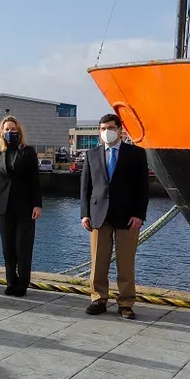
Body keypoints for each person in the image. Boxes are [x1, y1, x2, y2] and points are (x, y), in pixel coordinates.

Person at [81, 113, 150, 320]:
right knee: (98, 261)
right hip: (98, 215)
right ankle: (98, 299)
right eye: (102, 128)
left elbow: (143, 188)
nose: (106, 132)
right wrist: (84, 214)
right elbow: (85, 187)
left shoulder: (136, 154)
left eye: (110, 127)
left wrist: (139, 214)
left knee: (126, 262)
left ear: (120, 129)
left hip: (128, 217)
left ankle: (126, 303)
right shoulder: (91, 154)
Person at [0, 116, 42, 296]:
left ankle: (23, 283)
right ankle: (11, 281)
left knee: (23, 246)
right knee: (8, 246)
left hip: (25, 207)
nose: (10, 132)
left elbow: (36, 180)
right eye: (7, 129)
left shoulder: (28, 151)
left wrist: (37, 204)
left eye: (13, 129)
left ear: (18, 131)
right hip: (4, 207)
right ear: (1, 132)